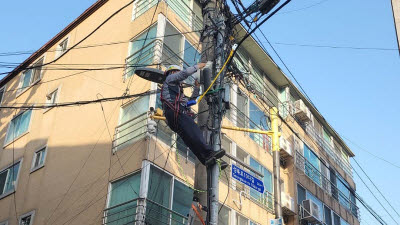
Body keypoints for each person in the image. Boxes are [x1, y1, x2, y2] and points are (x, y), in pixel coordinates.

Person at [160, 63, 225, 166]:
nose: (179, 77)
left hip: (174, 118)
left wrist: (197, 87)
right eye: (177, 72)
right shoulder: (170, 79)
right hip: (175, 113)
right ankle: (209, 153)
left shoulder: (177, 92)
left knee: (191, 140)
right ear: (172, 72)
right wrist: (197, 66)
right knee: (195, 131)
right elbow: (184, 74)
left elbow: (191, 100)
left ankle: (206, 160)